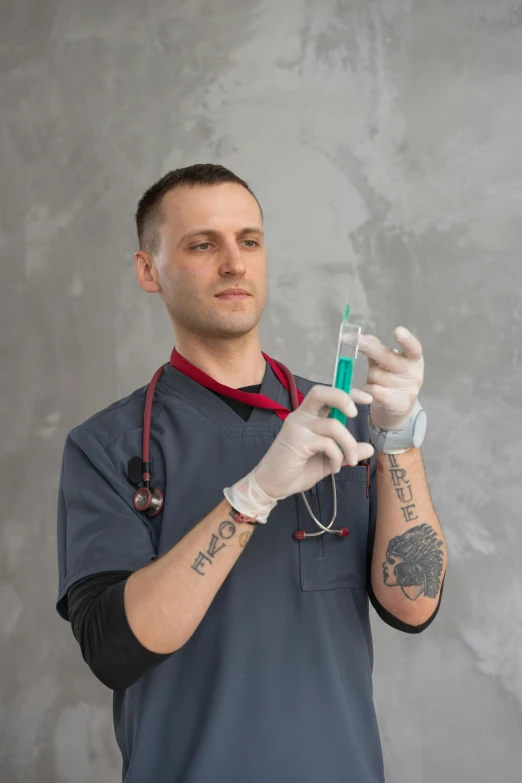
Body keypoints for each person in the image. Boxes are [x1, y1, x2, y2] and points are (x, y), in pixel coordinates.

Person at [56, 163, 447, 783]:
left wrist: (399, 440)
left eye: (250, 241)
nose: (235, 263)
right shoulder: (106, 447)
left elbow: (414, 604)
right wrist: (254, 494)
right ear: (148, 270)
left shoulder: (341, 418)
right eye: (203, 244)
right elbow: (113, 650)